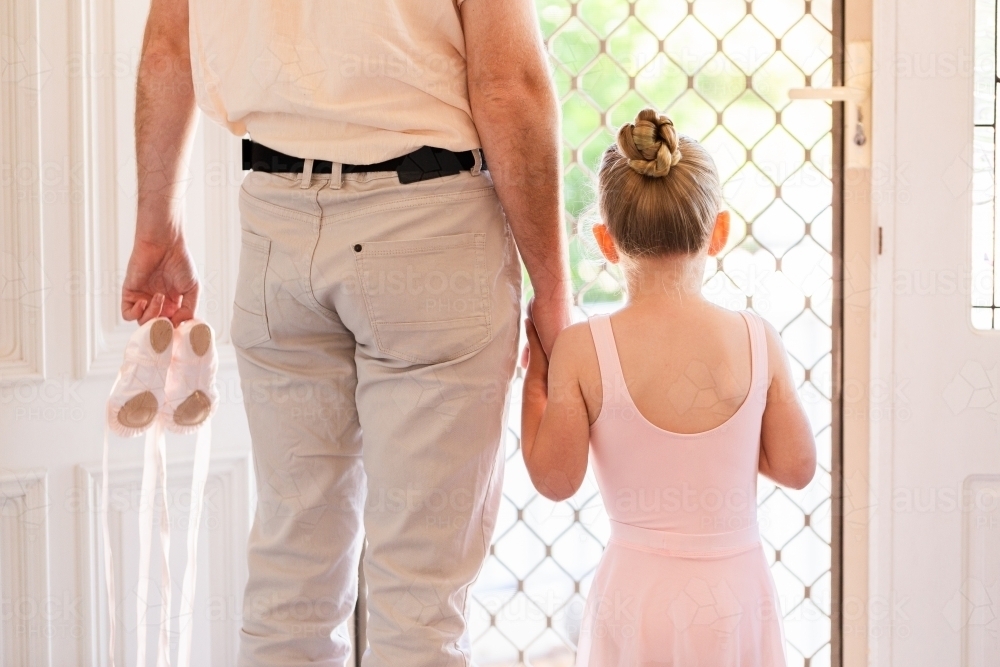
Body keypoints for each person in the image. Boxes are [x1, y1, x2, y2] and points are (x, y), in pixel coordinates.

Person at [119, 0, 572, 665]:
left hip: (277, 224)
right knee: (420, 605)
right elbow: (510, 88)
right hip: (428, 226)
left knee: (290, 583)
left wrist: (158, 226)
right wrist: (554, 292)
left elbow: (166, 49)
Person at [520, 109, 817, 666]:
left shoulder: (586, 349)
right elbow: (797, 467)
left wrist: (537, 376)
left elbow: (557, 479)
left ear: (605, 242)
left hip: (639, 597)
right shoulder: (757, 340)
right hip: (735, 594)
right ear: (719, 232)